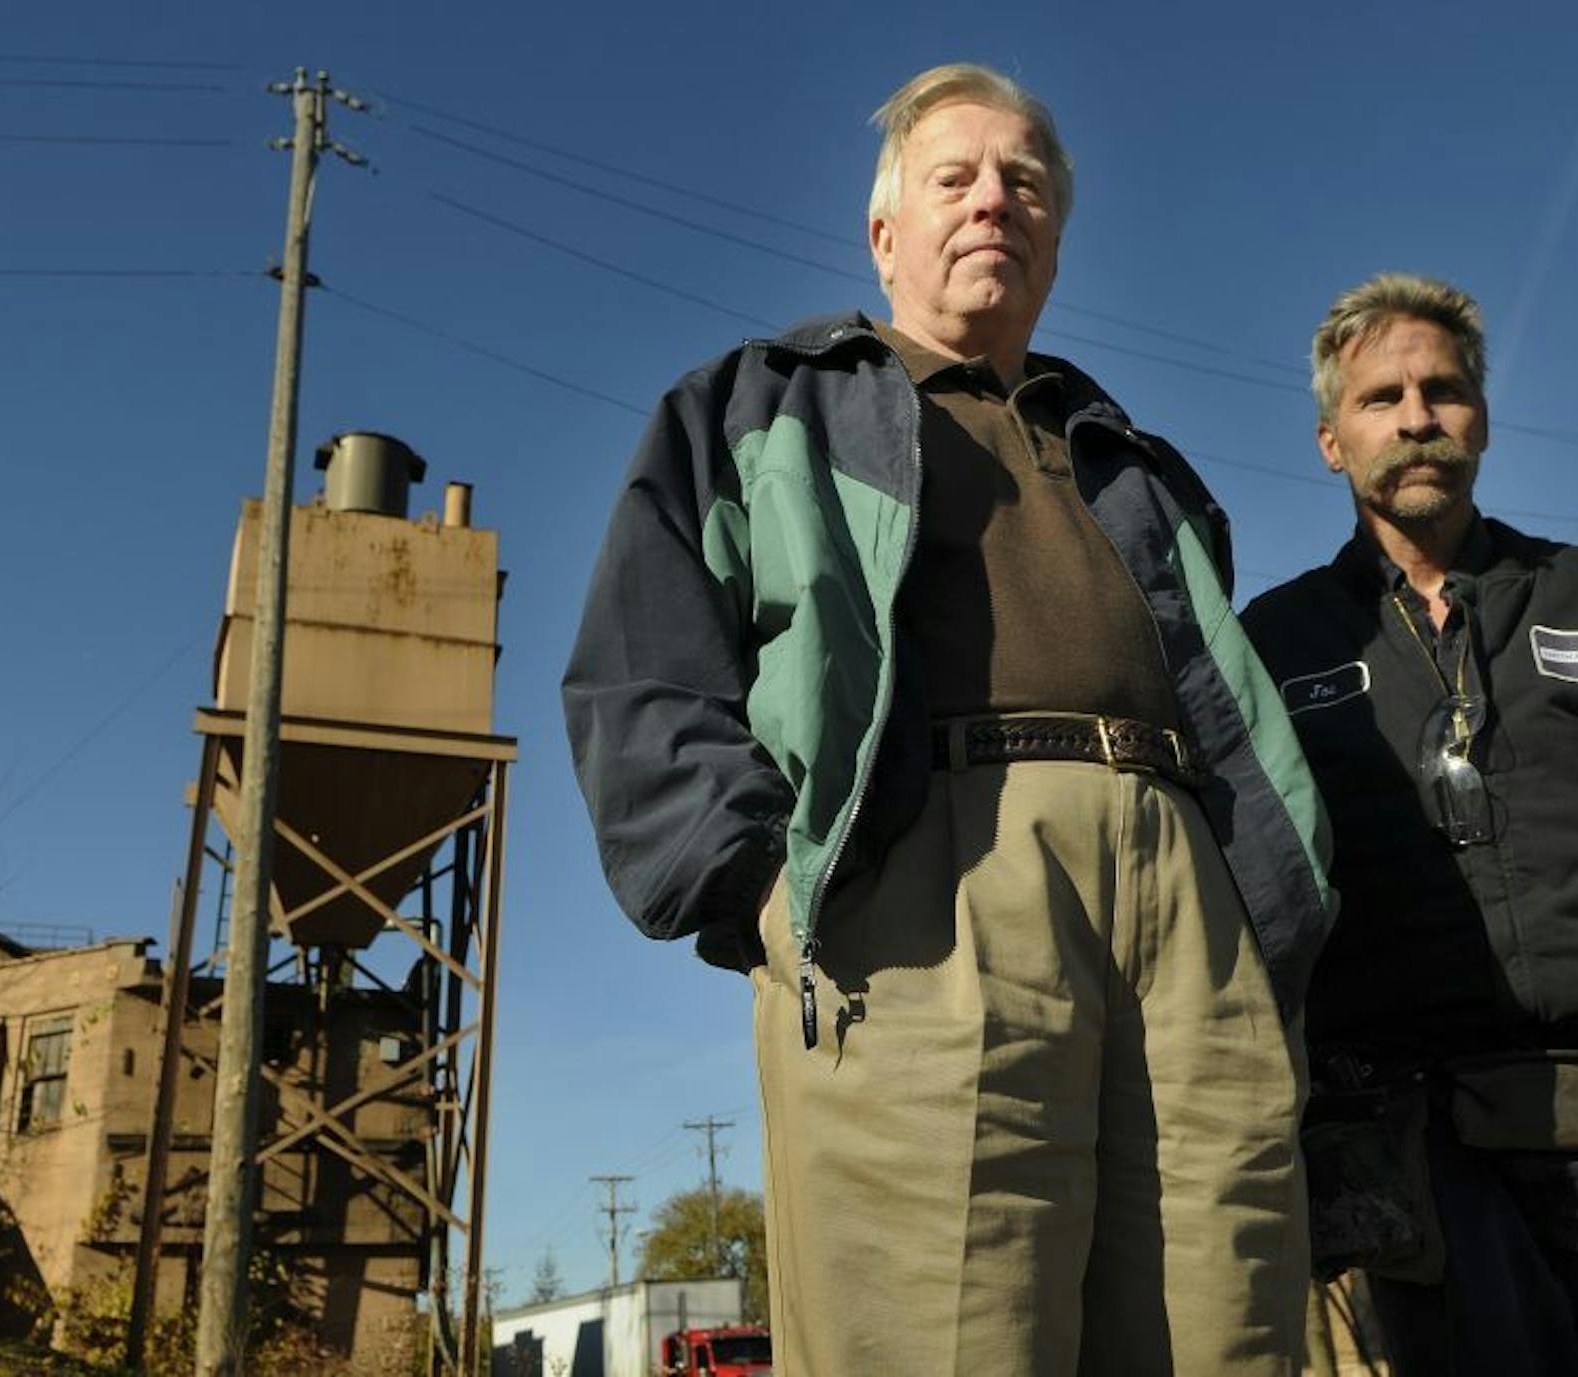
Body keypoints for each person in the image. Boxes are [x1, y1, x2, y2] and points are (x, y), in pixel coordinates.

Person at [563, 62, 1333, 1376]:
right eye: (956, 178)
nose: (996, 202)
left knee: (1230, 1323)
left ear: (1056, 233)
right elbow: (645, 668)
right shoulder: (757, 405)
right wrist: (757, 887)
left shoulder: (1138, 464)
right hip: (927, 885)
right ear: (886, 233)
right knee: (945, 1333)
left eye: (1025, 182)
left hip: (1186, 900)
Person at [1242, 272, 1578, 1376]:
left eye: (1443, 390)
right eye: (1380, 398)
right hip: (1417, 1131)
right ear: (1333, 441)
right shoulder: (1277, 646)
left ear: (1480, 418)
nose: (1416, 416)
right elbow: (1252, 876)